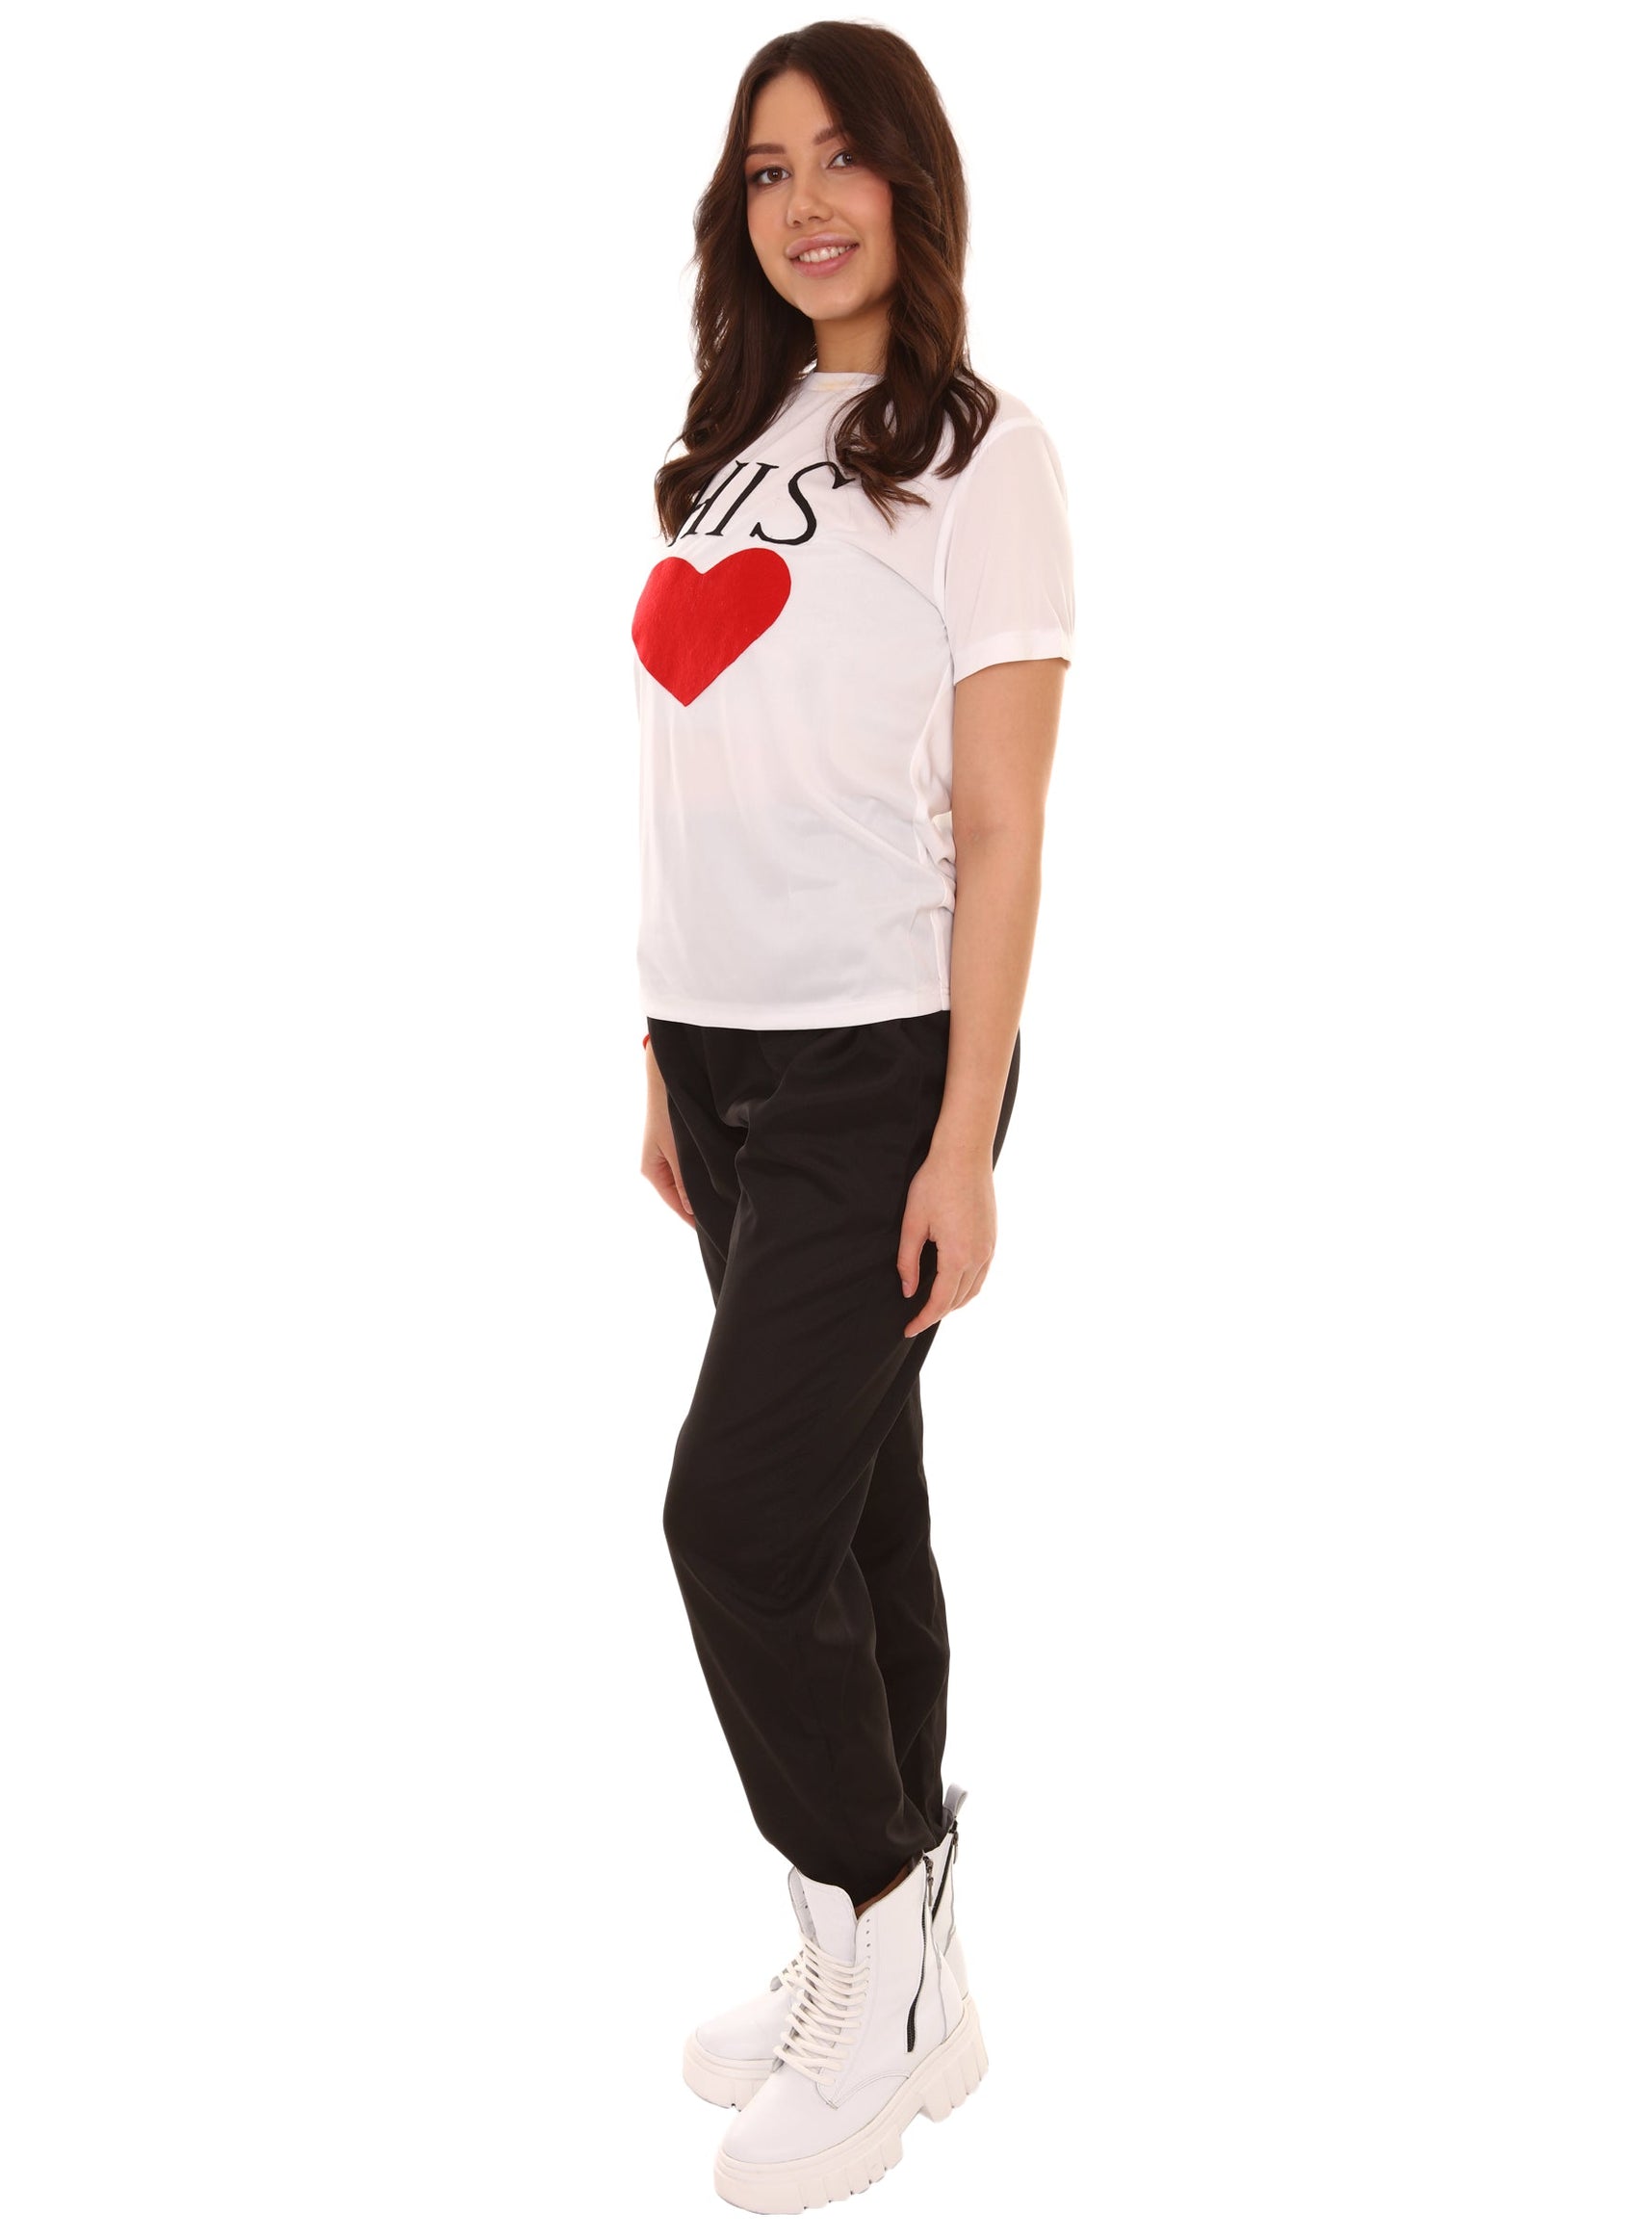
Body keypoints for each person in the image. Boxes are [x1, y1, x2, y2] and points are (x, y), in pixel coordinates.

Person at [631, 24, 1073, 2214]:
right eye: (765, 171)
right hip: (720, 1051)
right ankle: (897, 1960)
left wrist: (964, 1132)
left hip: (880, 1056)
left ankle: (873, 1929)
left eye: (841, 161)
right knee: (844, 1506)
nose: (804, 204)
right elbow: (701, 766)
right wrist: (658, 1052)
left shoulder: (983, 454)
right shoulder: (728, 453)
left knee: (733, 1518)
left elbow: (1000, 824)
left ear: (912, 181)